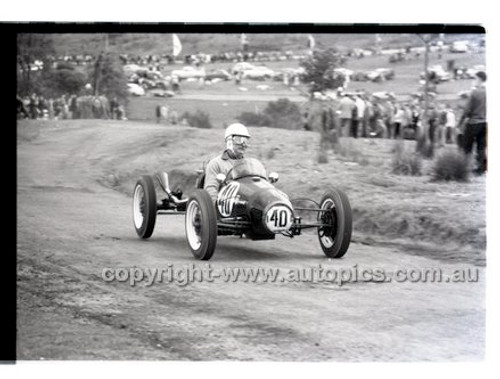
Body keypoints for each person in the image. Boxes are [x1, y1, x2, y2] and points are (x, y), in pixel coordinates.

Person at [204, 123, 251, 202]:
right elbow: (211, 191)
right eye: (239, 140)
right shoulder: (216, 163)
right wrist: (215, 209)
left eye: (245, 141)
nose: (243, 144)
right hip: (224, 208)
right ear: (229, 141)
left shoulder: (249, 165)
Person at [459, 71, 487, 174]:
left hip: (473, 122)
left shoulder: (475, 92)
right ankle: (481, 169)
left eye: (474, 78)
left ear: (479, 79)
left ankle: (464, 167)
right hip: (485, 122)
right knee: (481, 147)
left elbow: (467, 110)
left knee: (467, 146)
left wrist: (460, 122)